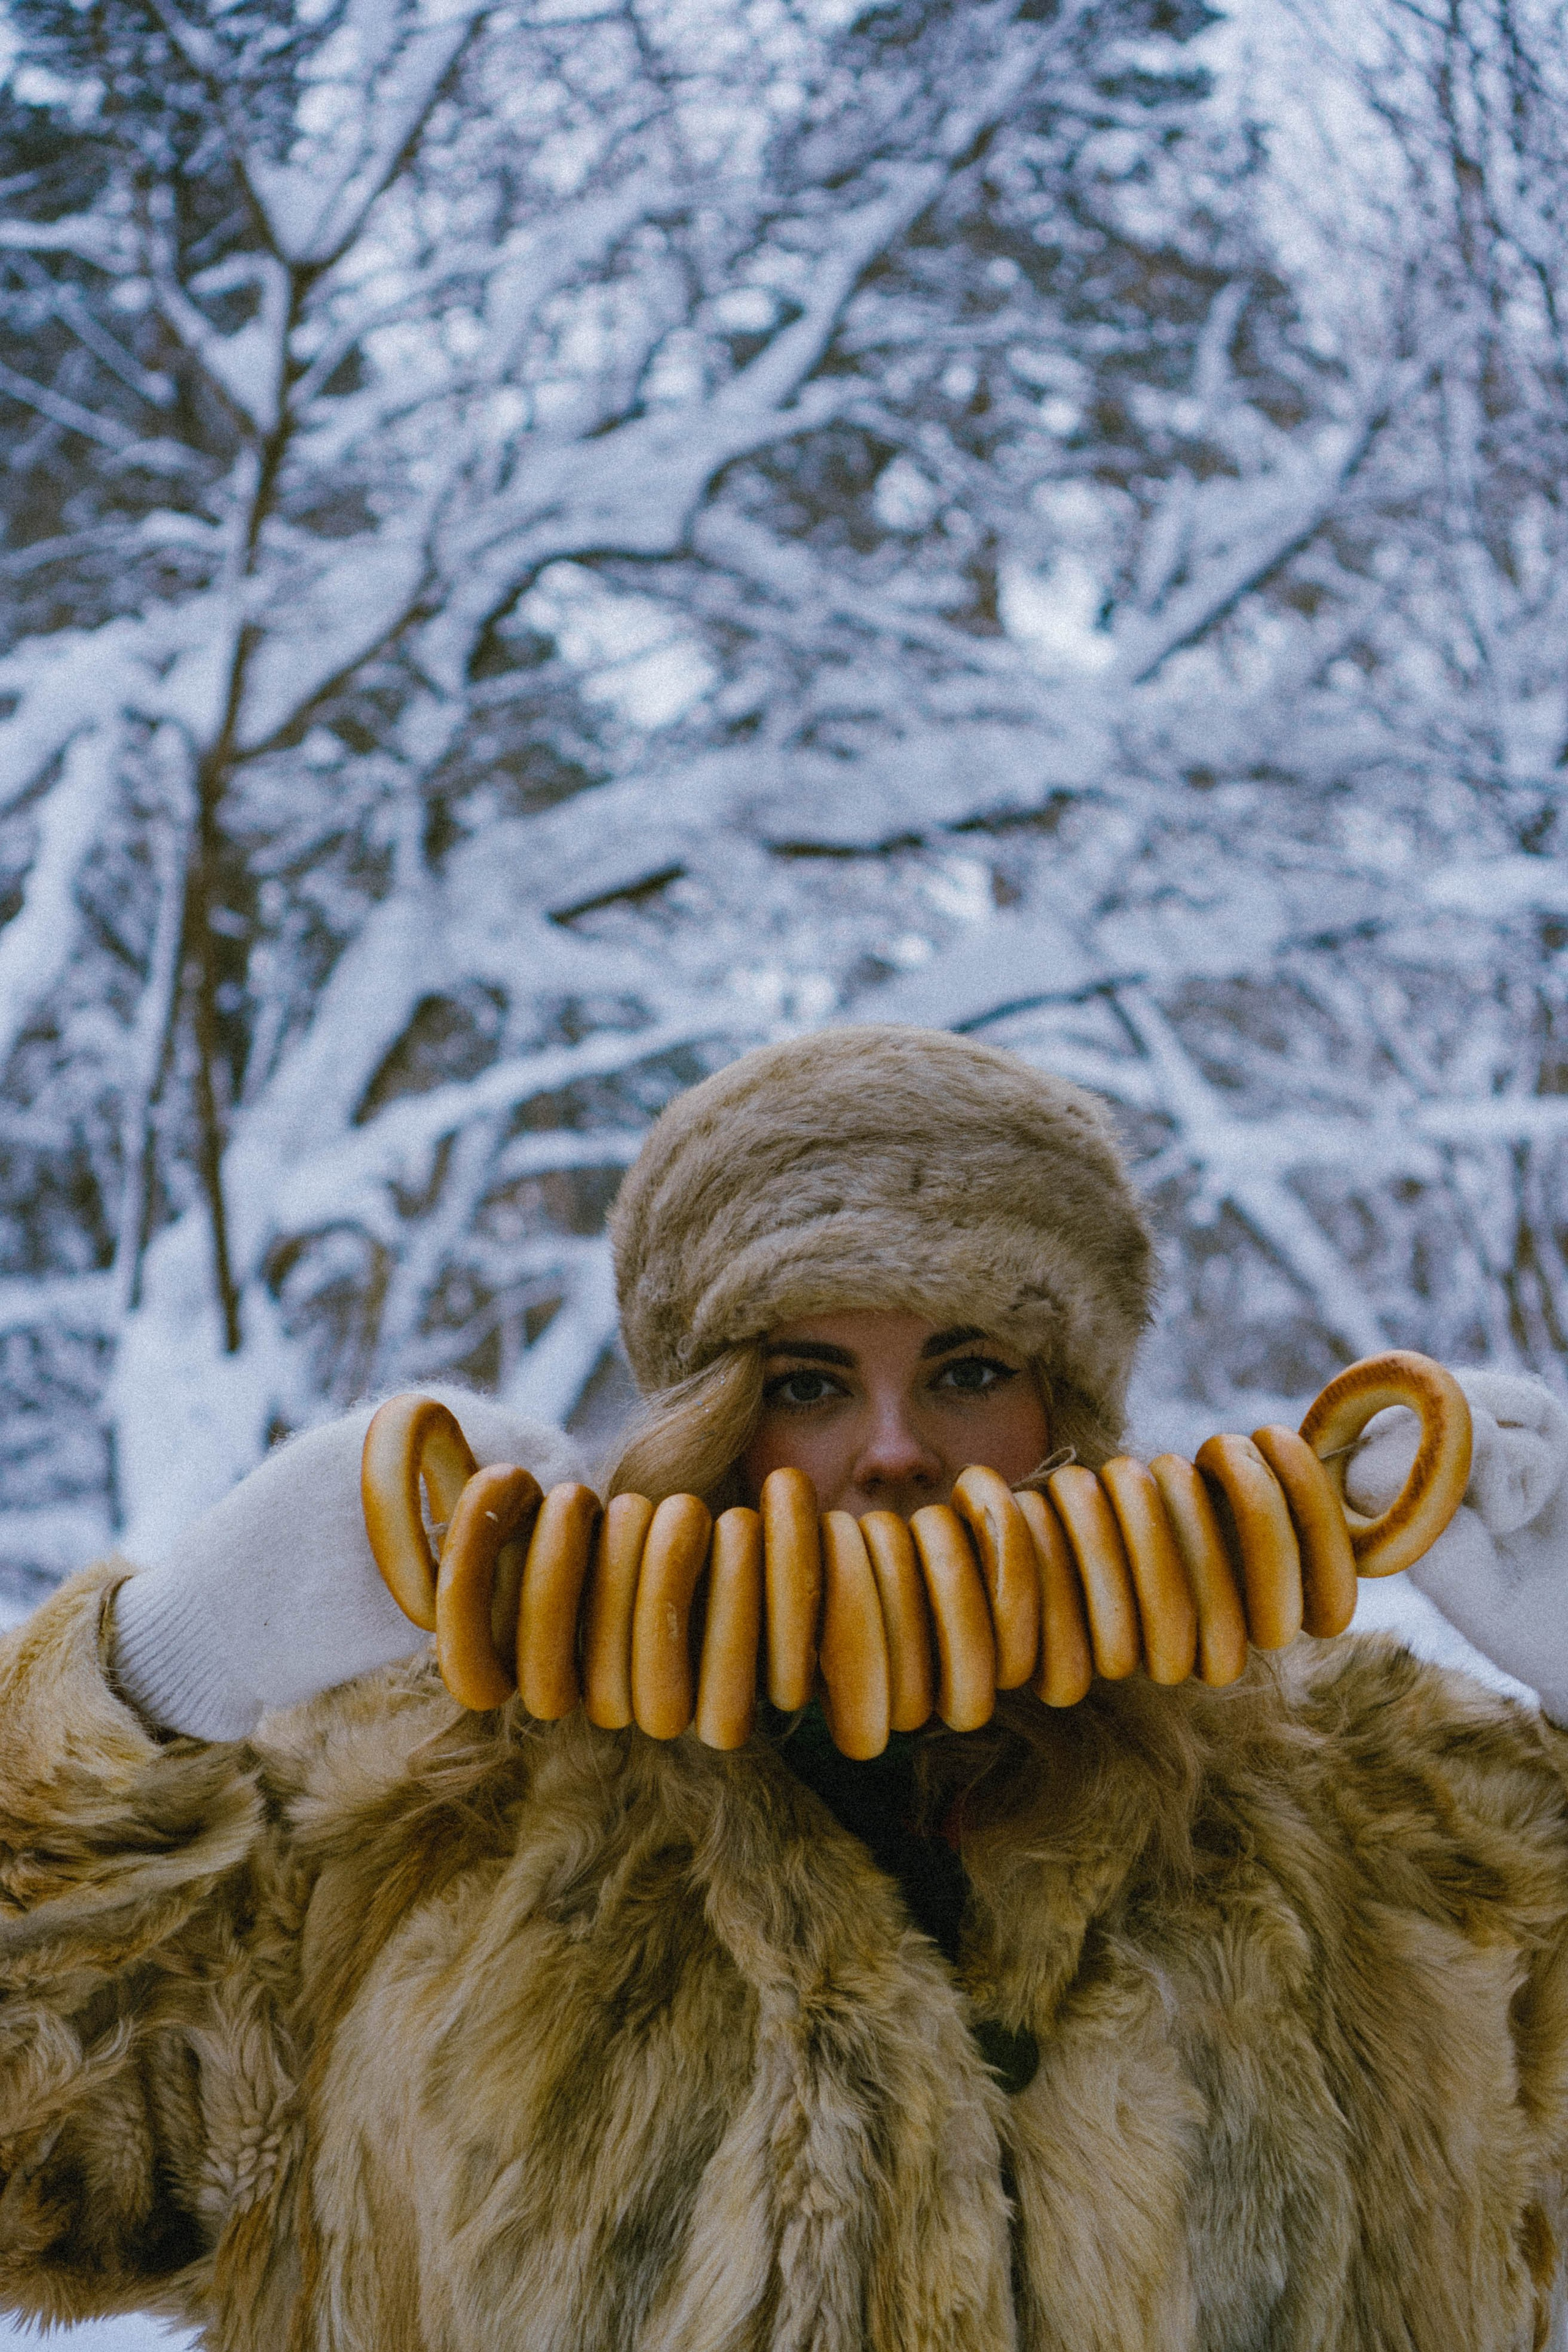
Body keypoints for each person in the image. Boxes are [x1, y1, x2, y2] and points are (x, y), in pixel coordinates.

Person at [3, 1023, 1568, 2351]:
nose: (890, 1452)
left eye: (966, 1371)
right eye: (805, 1384)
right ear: (703, 1417)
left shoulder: (1368, 1807)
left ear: (1069, 1409)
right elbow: (39, 2170)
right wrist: (170, 1664)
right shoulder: (410, 1819)